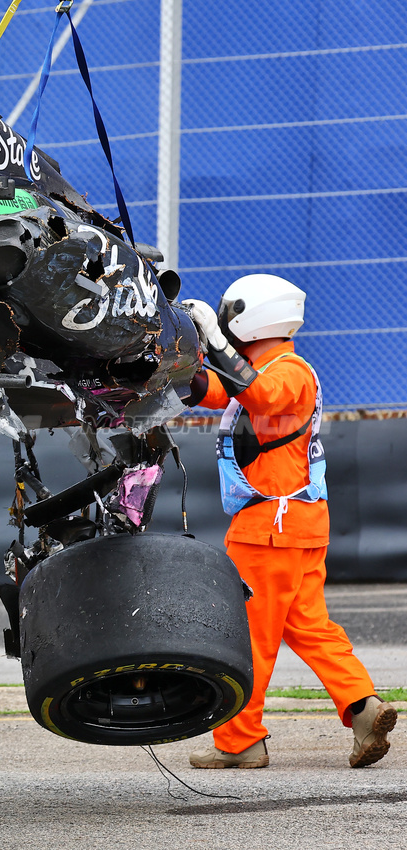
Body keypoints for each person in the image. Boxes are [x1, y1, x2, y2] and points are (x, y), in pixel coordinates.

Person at [181, 274, 396, 769]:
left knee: (247, 637)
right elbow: (212, 390)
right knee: (310, 627)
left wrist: (216, 342)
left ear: (253, 317)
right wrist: (172, 357)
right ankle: (364, 709)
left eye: (229, 314)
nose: (225, 321)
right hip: (296, 526)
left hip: (269, 530)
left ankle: (239, 741)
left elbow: (260, 395)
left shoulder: (288, 371)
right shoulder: (263, 369)